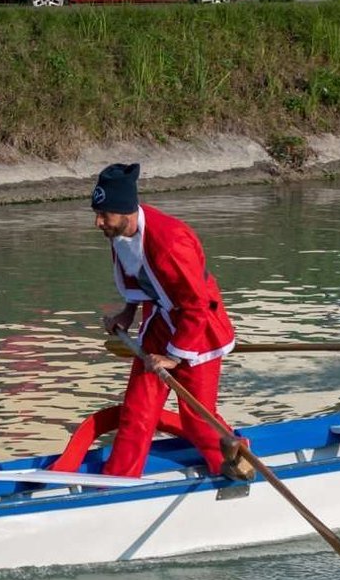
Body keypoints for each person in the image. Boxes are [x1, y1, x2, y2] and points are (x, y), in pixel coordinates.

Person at [92, 162, 248, 480]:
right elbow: (140, 279)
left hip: (200, 329)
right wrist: (127, 312)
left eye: (103, 215)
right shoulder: (120, 232)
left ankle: (236, 459)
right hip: (161, 321)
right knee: (138, 409)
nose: (97, 222)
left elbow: (198, 305)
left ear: (125, 212)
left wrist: (175, 357)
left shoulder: (171, 243)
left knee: (196, 418)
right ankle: (118, 481)